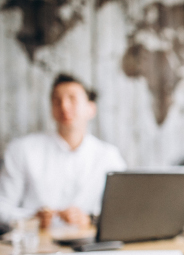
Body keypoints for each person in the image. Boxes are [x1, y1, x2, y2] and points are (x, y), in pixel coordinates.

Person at [0, 73, 126, 228]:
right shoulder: (21, 150)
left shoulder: (109, 157)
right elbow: (2, 206)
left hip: (90, 247)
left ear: (91, 109)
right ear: (52, 109)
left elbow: (123, 210)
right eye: (57, 101)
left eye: (72, 99)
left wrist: (90, 219)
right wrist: (31, 218)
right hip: (35, 246)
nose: (64, 106)